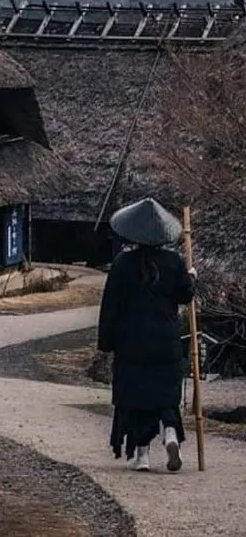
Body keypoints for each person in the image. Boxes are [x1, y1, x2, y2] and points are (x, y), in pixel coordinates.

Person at [97, 197, 196, 473]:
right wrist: (192, 276)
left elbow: (111, 307)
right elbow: (185, 295)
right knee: (165, 395)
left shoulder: (122, 264)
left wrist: (105, 342)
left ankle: (141, 456)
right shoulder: (174, 262)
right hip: (165, 341)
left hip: (132, 343)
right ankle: (171, 435)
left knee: (136, 399)